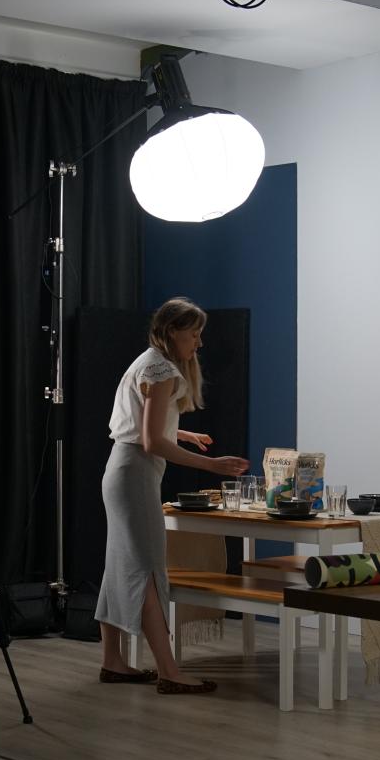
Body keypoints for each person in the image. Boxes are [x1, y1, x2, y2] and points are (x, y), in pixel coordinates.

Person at [96, 297, 248, 695]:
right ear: (172, 331)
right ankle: (169, 671)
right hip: (135, 474)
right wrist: (212, 465)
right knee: (147, 570)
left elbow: (143, 425)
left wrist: (182, 432)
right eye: (194, 334)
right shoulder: (162, 369)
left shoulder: (147, 361)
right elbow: (149, 440)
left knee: (120, 569)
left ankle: (113, 662)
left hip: (121, 470)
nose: (198, 343)